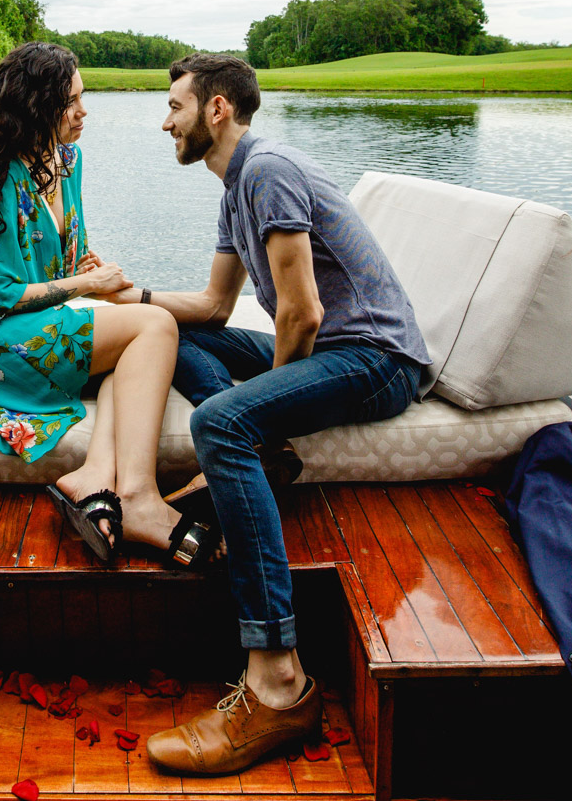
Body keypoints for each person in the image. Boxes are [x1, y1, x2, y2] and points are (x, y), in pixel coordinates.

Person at [101, 52, 432, 775]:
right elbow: (215, 309)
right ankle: (253, 455)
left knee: (220, 423)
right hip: (337, 348)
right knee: (176, 333)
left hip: (376, 358)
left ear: (216, 109)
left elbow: (304, 314)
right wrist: (128, 300)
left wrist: (257, 412)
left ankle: (279, 680)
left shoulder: (267, 170)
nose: (166, 123)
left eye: (176, 108)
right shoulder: (234, 188)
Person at [0, 41, 219, 567]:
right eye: (70, 102)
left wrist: (83, 270)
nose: (84, 111)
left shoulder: (68, 160)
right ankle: (141, 497)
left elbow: (64, 255)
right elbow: (0, 296)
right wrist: (88, 287)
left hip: (30, 317)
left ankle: (93, 476)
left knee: (131, 350)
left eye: (82, 97)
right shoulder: (2, 178)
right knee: (156, 327)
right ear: (35, 108)